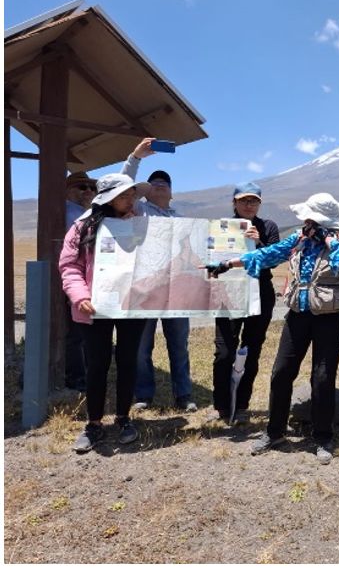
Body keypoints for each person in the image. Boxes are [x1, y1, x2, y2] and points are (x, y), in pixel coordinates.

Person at [213, 193, 339, 464]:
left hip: (331, 316)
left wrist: (326, 237)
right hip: (298, 314)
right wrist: (228, 263)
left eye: (309, 218)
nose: (304, 222)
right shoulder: (300, 237)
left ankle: (322, 437)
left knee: (322, 377)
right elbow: (270, 254)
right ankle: (275, 432)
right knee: (281, 372)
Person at [61, 173, 153, 453]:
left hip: (131, 305)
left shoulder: (143, 226)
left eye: (132, 194)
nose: (130, 199)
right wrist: (80, 295)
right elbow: (69, 266)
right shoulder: (82, 227)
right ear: (108, 198)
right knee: (97, 365)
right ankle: (94, 423)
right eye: (124, 195)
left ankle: (124, 418)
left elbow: (161, 257)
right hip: (94, 307)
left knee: (127, 361)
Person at [119, 142, 193, 411]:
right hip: (144, 289)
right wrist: (135, 157)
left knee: (179, 344)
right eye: (154, 183)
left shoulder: (183, 219)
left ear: (172, 193)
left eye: (165, 182)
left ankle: (184, 394)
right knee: (141, 346)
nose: (159, 184)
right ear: (145, 193)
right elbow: (122, 185)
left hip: (176, 290)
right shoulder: (139, 210)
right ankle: (143, 395)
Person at [210, 182, 281, 425]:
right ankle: (220, 405)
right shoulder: (221, 227)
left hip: (260, 294)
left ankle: (241, 405)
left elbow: (272, 261)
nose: (249, 205)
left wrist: (259, 243)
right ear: (234, 203)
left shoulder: (268, 227)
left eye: (254, 201)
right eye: (244, 200)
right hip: (228, 294)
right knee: (224, 352)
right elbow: (212, 262)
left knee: (250, 351)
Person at [62, 171, 98, 392]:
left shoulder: (85, 213)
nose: (88, 191)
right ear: (68, 190)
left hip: (85, 280)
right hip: (74, 280)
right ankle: (76, 377)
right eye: (81, 187)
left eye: (91, 188)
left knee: (82, 330)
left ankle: (81, 372)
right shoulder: (69, 213)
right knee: (76, 332)